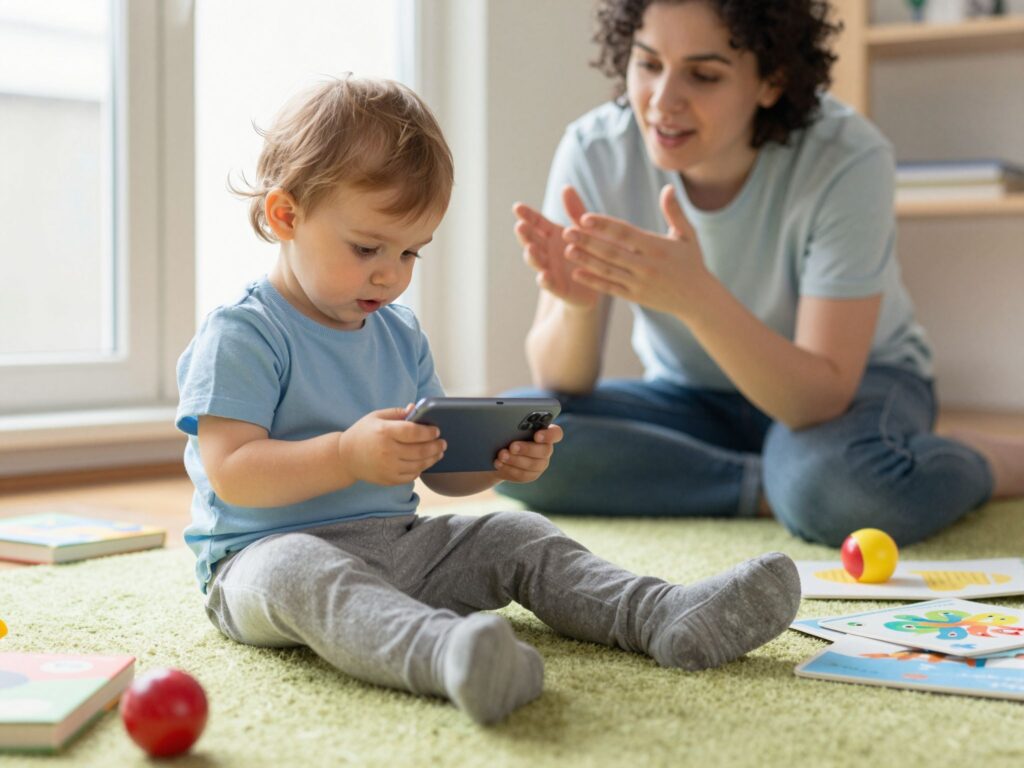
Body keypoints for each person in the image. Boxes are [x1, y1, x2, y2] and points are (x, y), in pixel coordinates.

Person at [175, 76, 802, 726]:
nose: (390, 273)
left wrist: (499, 461)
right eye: (366, 248)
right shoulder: (243, 332)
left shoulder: (399, 332)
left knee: (515, 531)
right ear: (286, 216)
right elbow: (234, 473)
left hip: (398, 547)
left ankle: (662, 616)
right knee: (304, 570)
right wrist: (346, 456)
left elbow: (441, 470)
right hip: (261, 563)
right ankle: (449, 656)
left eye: (410, 250)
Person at [497, 0, 1024, 546]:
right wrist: (579, 306)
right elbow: (561, 382)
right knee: (517, 441)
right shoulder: (595, 150)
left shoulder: (847, 156)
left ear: (772, 81)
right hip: (694, 395)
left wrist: (698, 298)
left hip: (855, 389)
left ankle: (987, 461)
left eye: (703, 75)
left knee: (843, 492)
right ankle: (778, 484)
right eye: (648, 63)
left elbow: (818, 399)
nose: (663, 100)